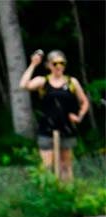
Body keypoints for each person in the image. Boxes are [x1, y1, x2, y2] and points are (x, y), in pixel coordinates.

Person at [20, 49, 89, 181]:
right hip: (46, 127)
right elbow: (24, 85)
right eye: (55, 63)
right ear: (49, 65)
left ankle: (67, 195)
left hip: (66, 127)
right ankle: (48, 194)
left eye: (61, 63)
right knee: (47, 166)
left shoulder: (71, 82)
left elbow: (84, 101)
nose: (58, 66)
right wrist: (33, 64)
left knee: (65, 166)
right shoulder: (43, 81)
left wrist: (79, 116)